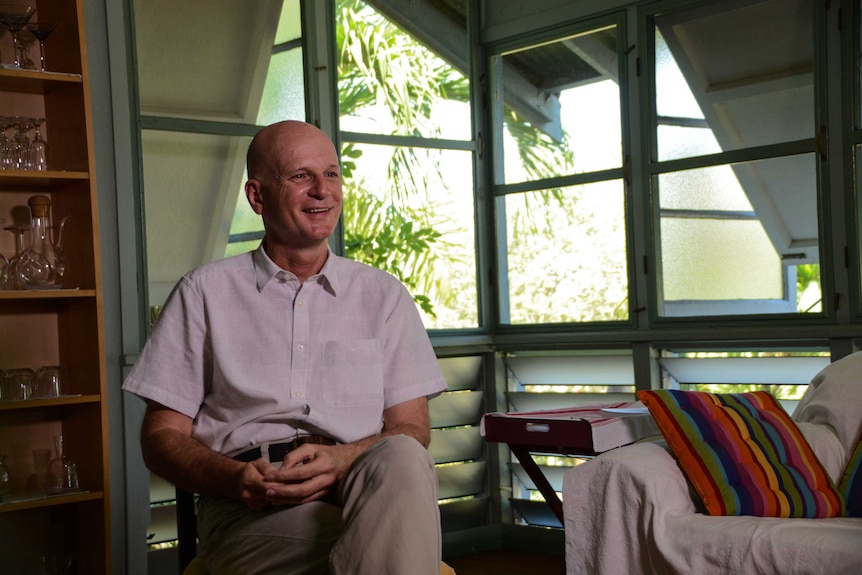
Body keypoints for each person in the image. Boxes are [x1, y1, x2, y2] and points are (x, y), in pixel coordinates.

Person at [122, 120, 449, 575]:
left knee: (403, 456)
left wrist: (342, 459)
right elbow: (161, 439)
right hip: (249, 506)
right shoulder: (203, 293)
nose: (322, 190)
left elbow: (412, 428)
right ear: (257, 196)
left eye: (332, 175)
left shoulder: (384, 295)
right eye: (300, 176)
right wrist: (233, 479)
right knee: (398, 548)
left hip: (357, 484)